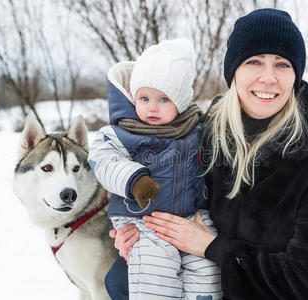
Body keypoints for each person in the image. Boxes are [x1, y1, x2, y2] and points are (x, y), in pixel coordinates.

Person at [108, 8, 308, 300]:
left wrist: (213, 247)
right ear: (234, 71)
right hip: (218, 284)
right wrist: (139, 229)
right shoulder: (208, 132)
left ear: (295, 75)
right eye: (254, 62)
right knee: (120, 277)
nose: (268, 78)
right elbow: (169, 191)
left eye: (282, 65)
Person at [88, 38, 222, 300]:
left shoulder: (196, 131)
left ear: (180, 102)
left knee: (207, 270)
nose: (151, 107)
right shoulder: (121, 133)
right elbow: (103, 161)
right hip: (144, 222)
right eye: (145, 97)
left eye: (163, 99)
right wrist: (134, 179)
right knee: (155, 275)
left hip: (193, 218)